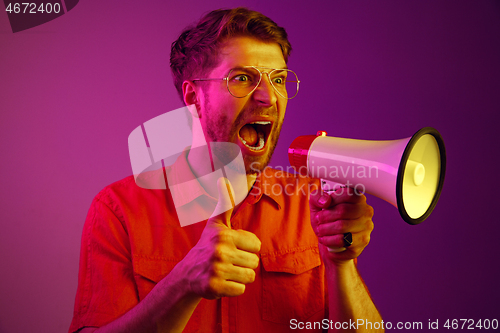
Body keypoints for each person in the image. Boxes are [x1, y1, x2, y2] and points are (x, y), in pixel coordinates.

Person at [69, 7, 383, 333]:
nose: (269, 97)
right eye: (243, 78)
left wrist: (340, 263)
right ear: (195, 98)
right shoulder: (118, 210)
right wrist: (181, 286)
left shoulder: (314, 203)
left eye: (278, 79)